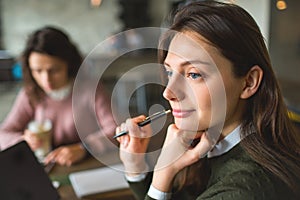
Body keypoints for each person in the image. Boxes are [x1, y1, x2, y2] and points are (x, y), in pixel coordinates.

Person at [115, 1, 300, 199]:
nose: (168, 93)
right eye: (169, 72)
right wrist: (136, 167)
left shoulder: (243, 189)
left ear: (249, 82)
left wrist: (163, 174)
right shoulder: (212, 145)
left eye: (194, 74)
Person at [0, 26, 117, 166]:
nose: (46, 80)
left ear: (69, 64)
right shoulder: (30, 94)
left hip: (87, 165)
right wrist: (23, 140)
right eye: (37, 71)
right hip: (50, 169)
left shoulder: (90, 89)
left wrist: (85, 148)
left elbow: (115, 130)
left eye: (54, 70)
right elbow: (4, 133)